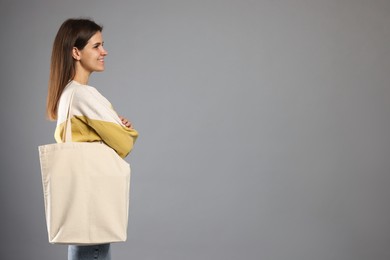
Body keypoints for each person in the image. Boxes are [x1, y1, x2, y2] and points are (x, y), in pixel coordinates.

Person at [46, 18, 138, 260]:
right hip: (93, 206)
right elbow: (125, 142)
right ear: (76, 52)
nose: (104, 51)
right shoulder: (84, 94)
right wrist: (122, 128)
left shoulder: (67, 94)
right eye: (96, 46)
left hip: (80, 207)